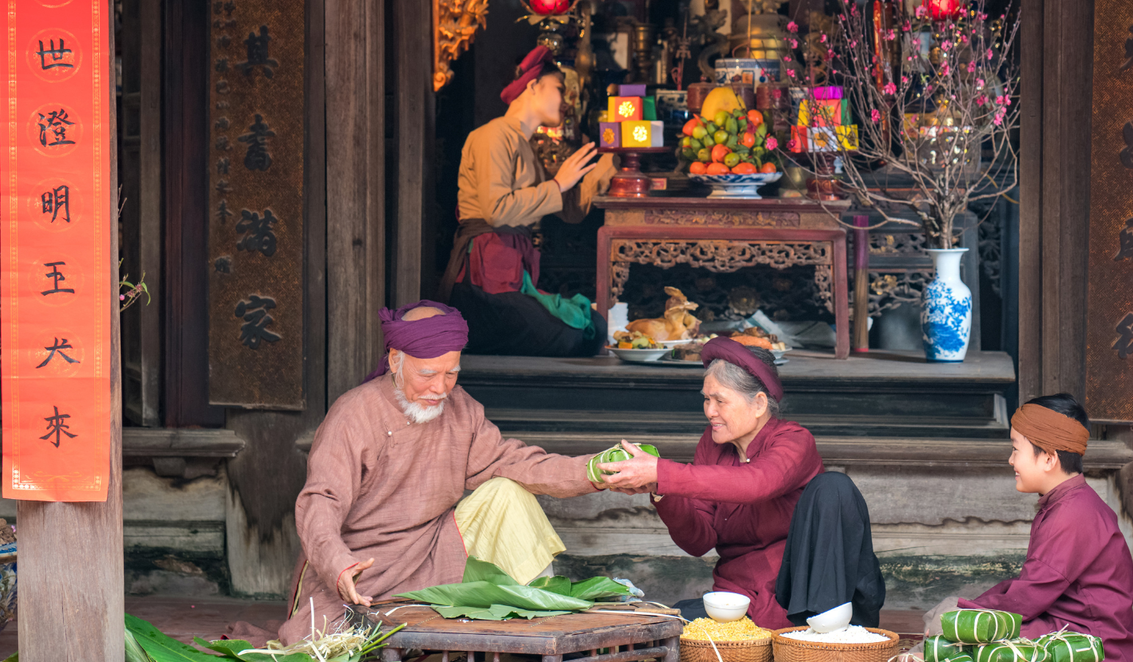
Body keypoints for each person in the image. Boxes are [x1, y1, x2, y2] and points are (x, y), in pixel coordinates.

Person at [280, 300, 599, 644]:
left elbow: (518, 463)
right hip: (363, 574)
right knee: (337, 642)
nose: (440, 388)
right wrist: (337, 564)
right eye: (428, 374)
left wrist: (596, 470)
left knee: (508, 492)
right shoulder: (354, 413)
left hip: (433, 558)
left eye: (451, 373)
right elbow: (321, 501)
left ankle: (545, 627)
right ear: (394, 361)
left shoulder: (462, 409)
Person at [599, 338, 885, 629]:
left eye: (720, 400)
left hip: (804, 597)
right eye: (706, 399)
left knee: (834, 487)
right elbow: (698, 542)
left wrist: (663, 472)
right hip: (740, 599)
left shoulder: (794, 440)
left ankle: (825, 636)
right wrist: (661, 490)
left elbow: (757, 483)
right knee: (661, 624)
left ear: (759, 403)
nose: (709, 411)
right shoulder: (711, 446)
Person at [924, 394, 1133, 661]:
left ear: (1049, 459)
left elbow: (1027, 598)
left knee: (964, 640)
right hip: (1065, 624)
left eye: (1016, 449)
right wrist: (969, 606)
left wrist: (963, 614)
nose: (1011, 460)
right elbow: (1029, 587)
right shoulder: (1070, 504)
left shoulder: (1074, 514)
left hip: (1092, 641)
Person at [438, 45, 615, 357]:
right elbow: (496, 210)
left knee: (596, 328)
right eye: (560, 88)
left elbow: (569, 210)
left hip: (513, 280)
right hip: (482, 285)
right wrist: (559, 183)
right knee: (570, 336)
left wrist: (613, 157)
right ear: (533, 86)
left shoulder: (527, 147)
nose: (568, 100)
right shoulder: (493, 135)